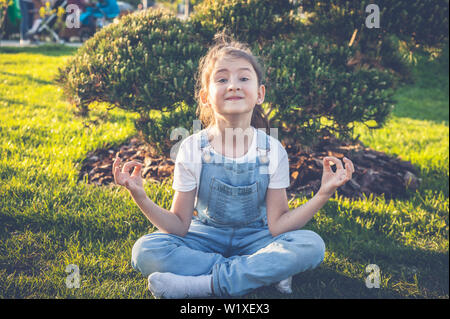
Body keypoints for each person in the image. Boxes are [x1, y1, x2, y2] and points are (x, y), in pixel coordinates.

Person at [113, 33, 355, 298]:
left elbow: (278, 226)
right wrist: (140, 196)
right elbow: (180, 226)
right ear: (205, 97)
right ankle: (261, 272)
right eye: (222, 79)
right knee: (146, 251)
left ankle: (203, 284)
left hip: (258, 238)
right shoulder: (193, 148)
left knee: (311, 244)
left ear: (260, 93)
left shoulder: (272, 149)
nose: (233, 85)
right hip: (206, 237)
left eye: (243, 78)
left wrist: (323, 193)